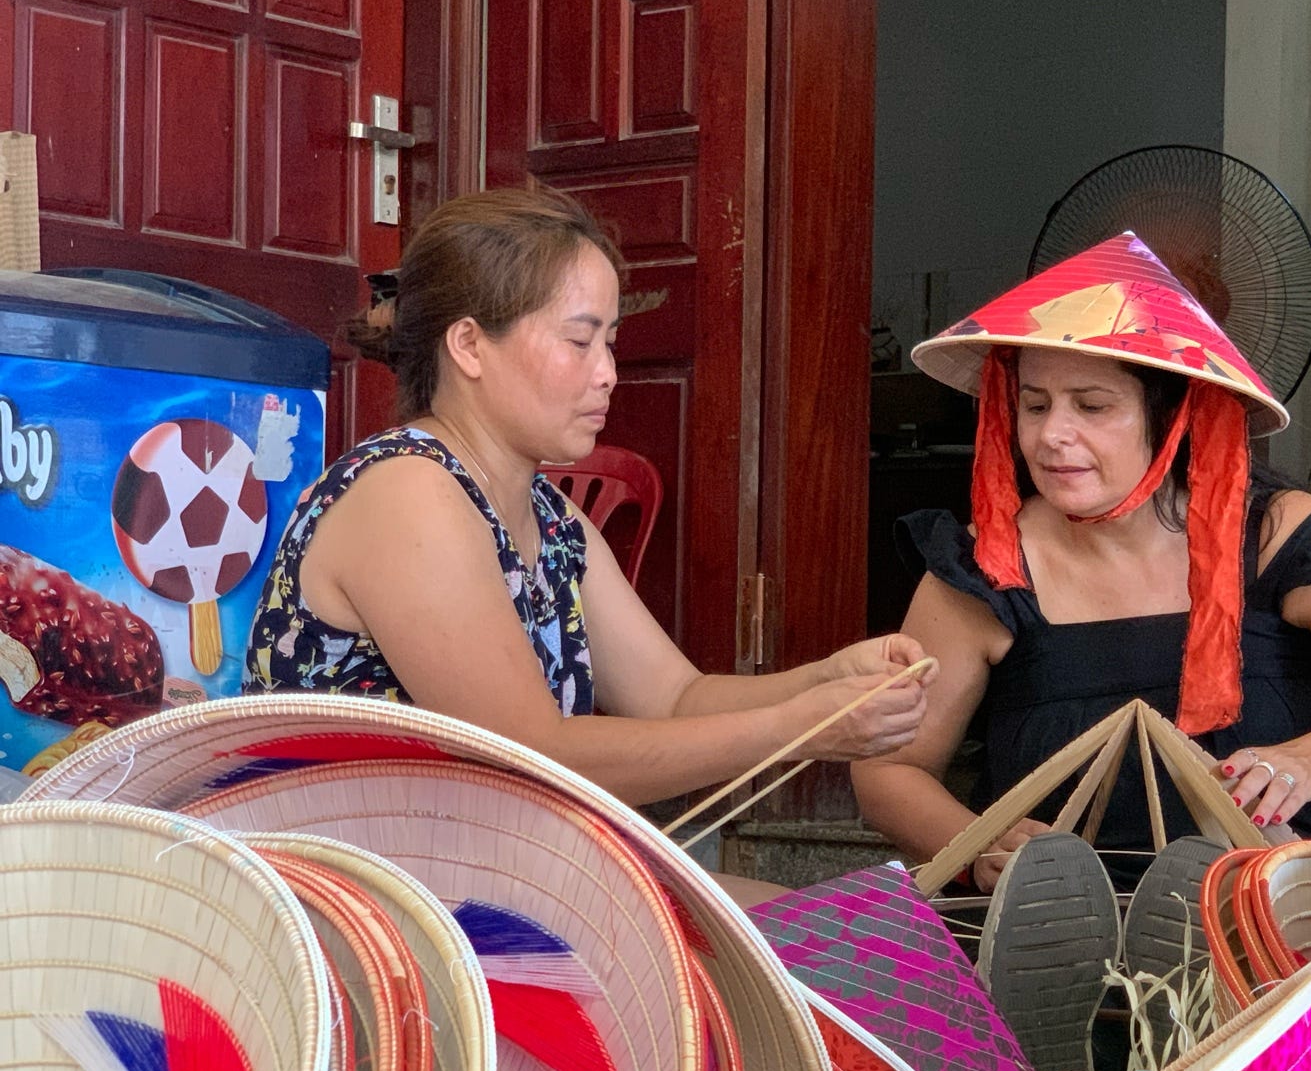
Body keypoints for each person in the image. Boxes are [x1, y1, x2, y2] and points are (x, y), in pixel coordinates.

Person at [244, 187, 931, 807]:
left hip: (487, 888)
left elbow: (673, 697)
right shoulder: (406, 493)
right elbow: (530, 755)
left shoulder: (553, 518)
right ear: (469, 346)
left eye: (610, 341)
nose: (607, 373)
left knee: (872, 938)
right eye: (579, 341)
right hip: (366, 906)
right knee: (820, 943)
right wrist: (808, 727)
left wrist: (827, 681)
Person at [852, 233, 1311, 891]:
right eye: (1035, 404)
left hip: (1260, 929)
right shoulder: (985, 566)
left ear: (1174, 417)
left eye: (1093, 405)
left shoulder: (1278, 536)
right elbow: (887, 770)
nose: (1051, 435)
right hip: (1050, 935)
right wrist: (978, 844)